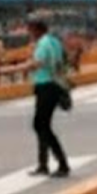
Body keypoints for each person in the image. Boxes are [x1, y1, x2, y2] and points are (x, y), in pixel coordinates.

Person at [23, 17, 71, 178]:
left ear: (37, 30)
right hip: (55, 85)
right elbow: (62, 62)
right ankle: (43, 164)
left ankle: (62, 164)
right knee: (41, 126)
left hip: (46, 86)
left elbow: (37, 63)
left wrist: (14, 68)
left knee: (41, 125)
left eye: (30, 30)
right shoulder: (54, 42)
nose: (29, 34)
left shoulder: (43, 44)